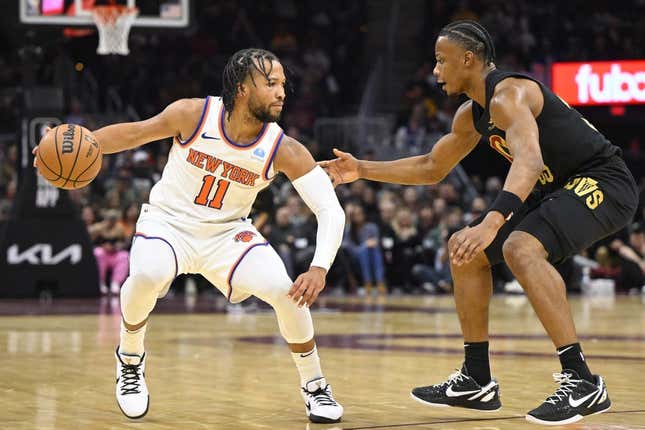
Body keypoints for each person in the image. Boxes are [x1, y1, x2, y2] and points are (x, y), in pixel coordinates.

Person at [321, 20, 638, 426]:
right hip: (555, 187)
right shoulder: (472, 115)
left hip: (605, 180)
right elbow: (432, 166)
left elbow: (530, 161)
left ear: (468, 59)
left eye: (441, 61)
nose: (435, 71)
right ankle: (476, 378)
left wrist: (491, 221)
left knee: (518, 247)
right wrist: (361, 169)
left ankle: (582, 381)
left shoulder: (509, 95)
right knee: (464, 250)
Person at [34, 48, 345, 424]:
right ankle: (130, 360)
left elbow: (329, 209)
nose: (282, 92)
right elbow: (134, 134)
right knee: (148, 277)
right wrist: (72, 143)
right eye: (272, 83)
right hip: (168, 223)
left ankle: (315, 388)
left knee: (286, 292)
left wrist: (319, 268)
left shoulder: (283, 148)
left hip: (227, 234)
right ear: (243, 88)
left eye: (282, 84)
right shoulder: (194, 114)